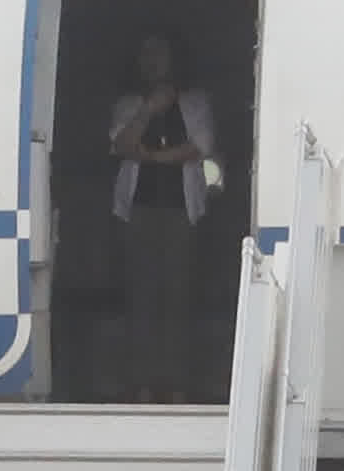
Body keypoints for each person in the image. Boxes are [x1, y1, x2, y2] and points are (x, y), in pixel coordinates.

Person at [102, 35, 219, 403]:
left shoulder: (196, 101)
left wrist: (148, 157)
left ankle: (178, 384)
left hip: (181, 214)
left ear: (174, 59)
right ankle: (143, 385)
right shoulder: (129, 103)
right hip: (137, 212)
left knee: (178, 299)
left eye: (160, 53)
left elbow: (199, 147)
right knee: (141, 298)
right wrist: (148, 110)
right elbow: (121, 145)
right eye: (146, 54)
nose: (153, 61)